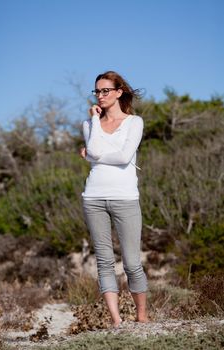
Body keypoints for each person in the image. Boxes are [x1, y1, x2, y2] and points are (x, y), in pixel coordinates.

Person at [80, 71, 148, 327]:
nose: (100, 95)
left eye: (105, 90)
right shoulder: (89, 125)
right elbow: (98, 151)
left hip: (125, 197)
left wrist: (92, 156)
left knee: (132, 263)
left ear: (119, 92)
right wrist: (95, 124)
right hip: (93, 197)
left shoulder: (134, 122)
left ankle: (142, 318)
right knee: (104, 261)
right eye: (97, 91)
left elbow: (122, 157)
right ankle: (117, 321)